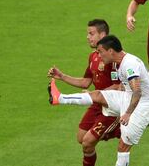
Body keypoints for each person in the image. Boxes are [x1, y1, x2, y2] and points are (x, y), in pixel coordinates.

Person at [48, 35, 149, 166]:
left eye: (100, 51)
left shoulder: (129, 64)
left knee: (123, 147)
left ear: (110, 51)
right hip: (127, 97)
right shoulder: (121, 62)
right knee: (98, 94)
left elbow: (137, 91)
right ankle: (59, 98)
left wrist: (127, 113)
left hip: (142, 106)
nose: (99, 55)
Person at [47, 19, 120, 166]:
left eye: (91, 33)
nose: (88, 37)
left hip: (112, 107)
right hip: (96, 104)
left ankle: (120, 129)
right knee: (81, 138)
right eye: (88, 33)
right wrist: (62, 76)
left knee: (87, 142)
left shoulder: (112, 58)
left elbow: (119, 86)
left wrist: (96, 93)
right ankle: (114, 131)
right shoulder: (93, 56)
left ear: (103, 34)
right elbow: (86, 81)